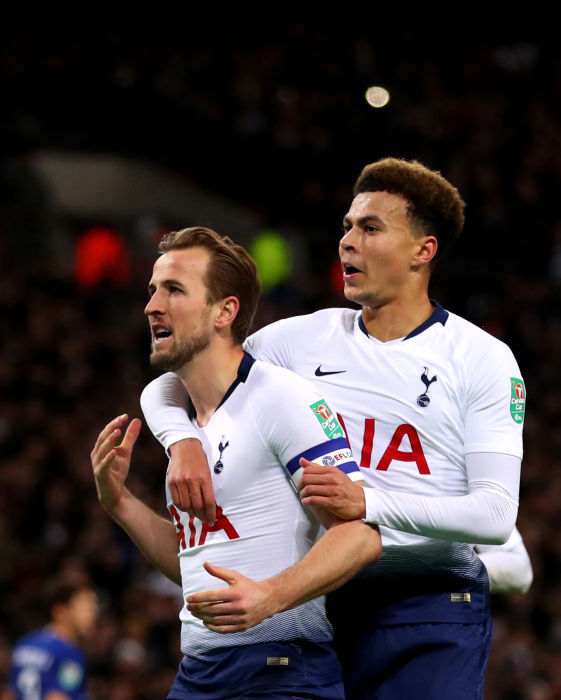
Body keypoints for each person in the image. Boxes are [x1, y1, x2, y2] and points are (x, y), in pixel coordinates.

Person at [140, 158, 526, 698]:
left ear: (424, 251)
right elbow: (179, 375)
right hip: (322, 602)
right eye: (347, 226)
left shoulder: (483, 358)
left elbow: (493, 514)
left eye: (370, 228)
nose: (347, 242)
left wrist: (368, 504)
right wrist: (180, 440)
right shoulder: (295, 342)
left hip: (430, 603)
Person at [90, 226, 382, 699]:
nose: (152, 306)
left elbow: (361, 537)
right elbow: (193, 565)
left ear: (225, 311)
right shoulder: (184, 419)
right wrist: (120, 503)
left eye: (174, 290)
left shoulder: (282, 399)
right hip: (199, 671)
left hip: (280, 670)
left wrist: (272, 596)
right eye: (152, 290)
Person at [3, 580, 98, 700]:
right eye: (85, 608)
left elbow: (10, 694)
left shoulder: (25, 644)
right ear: (61, 611)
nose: (93, 615)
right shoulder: (68, 653)